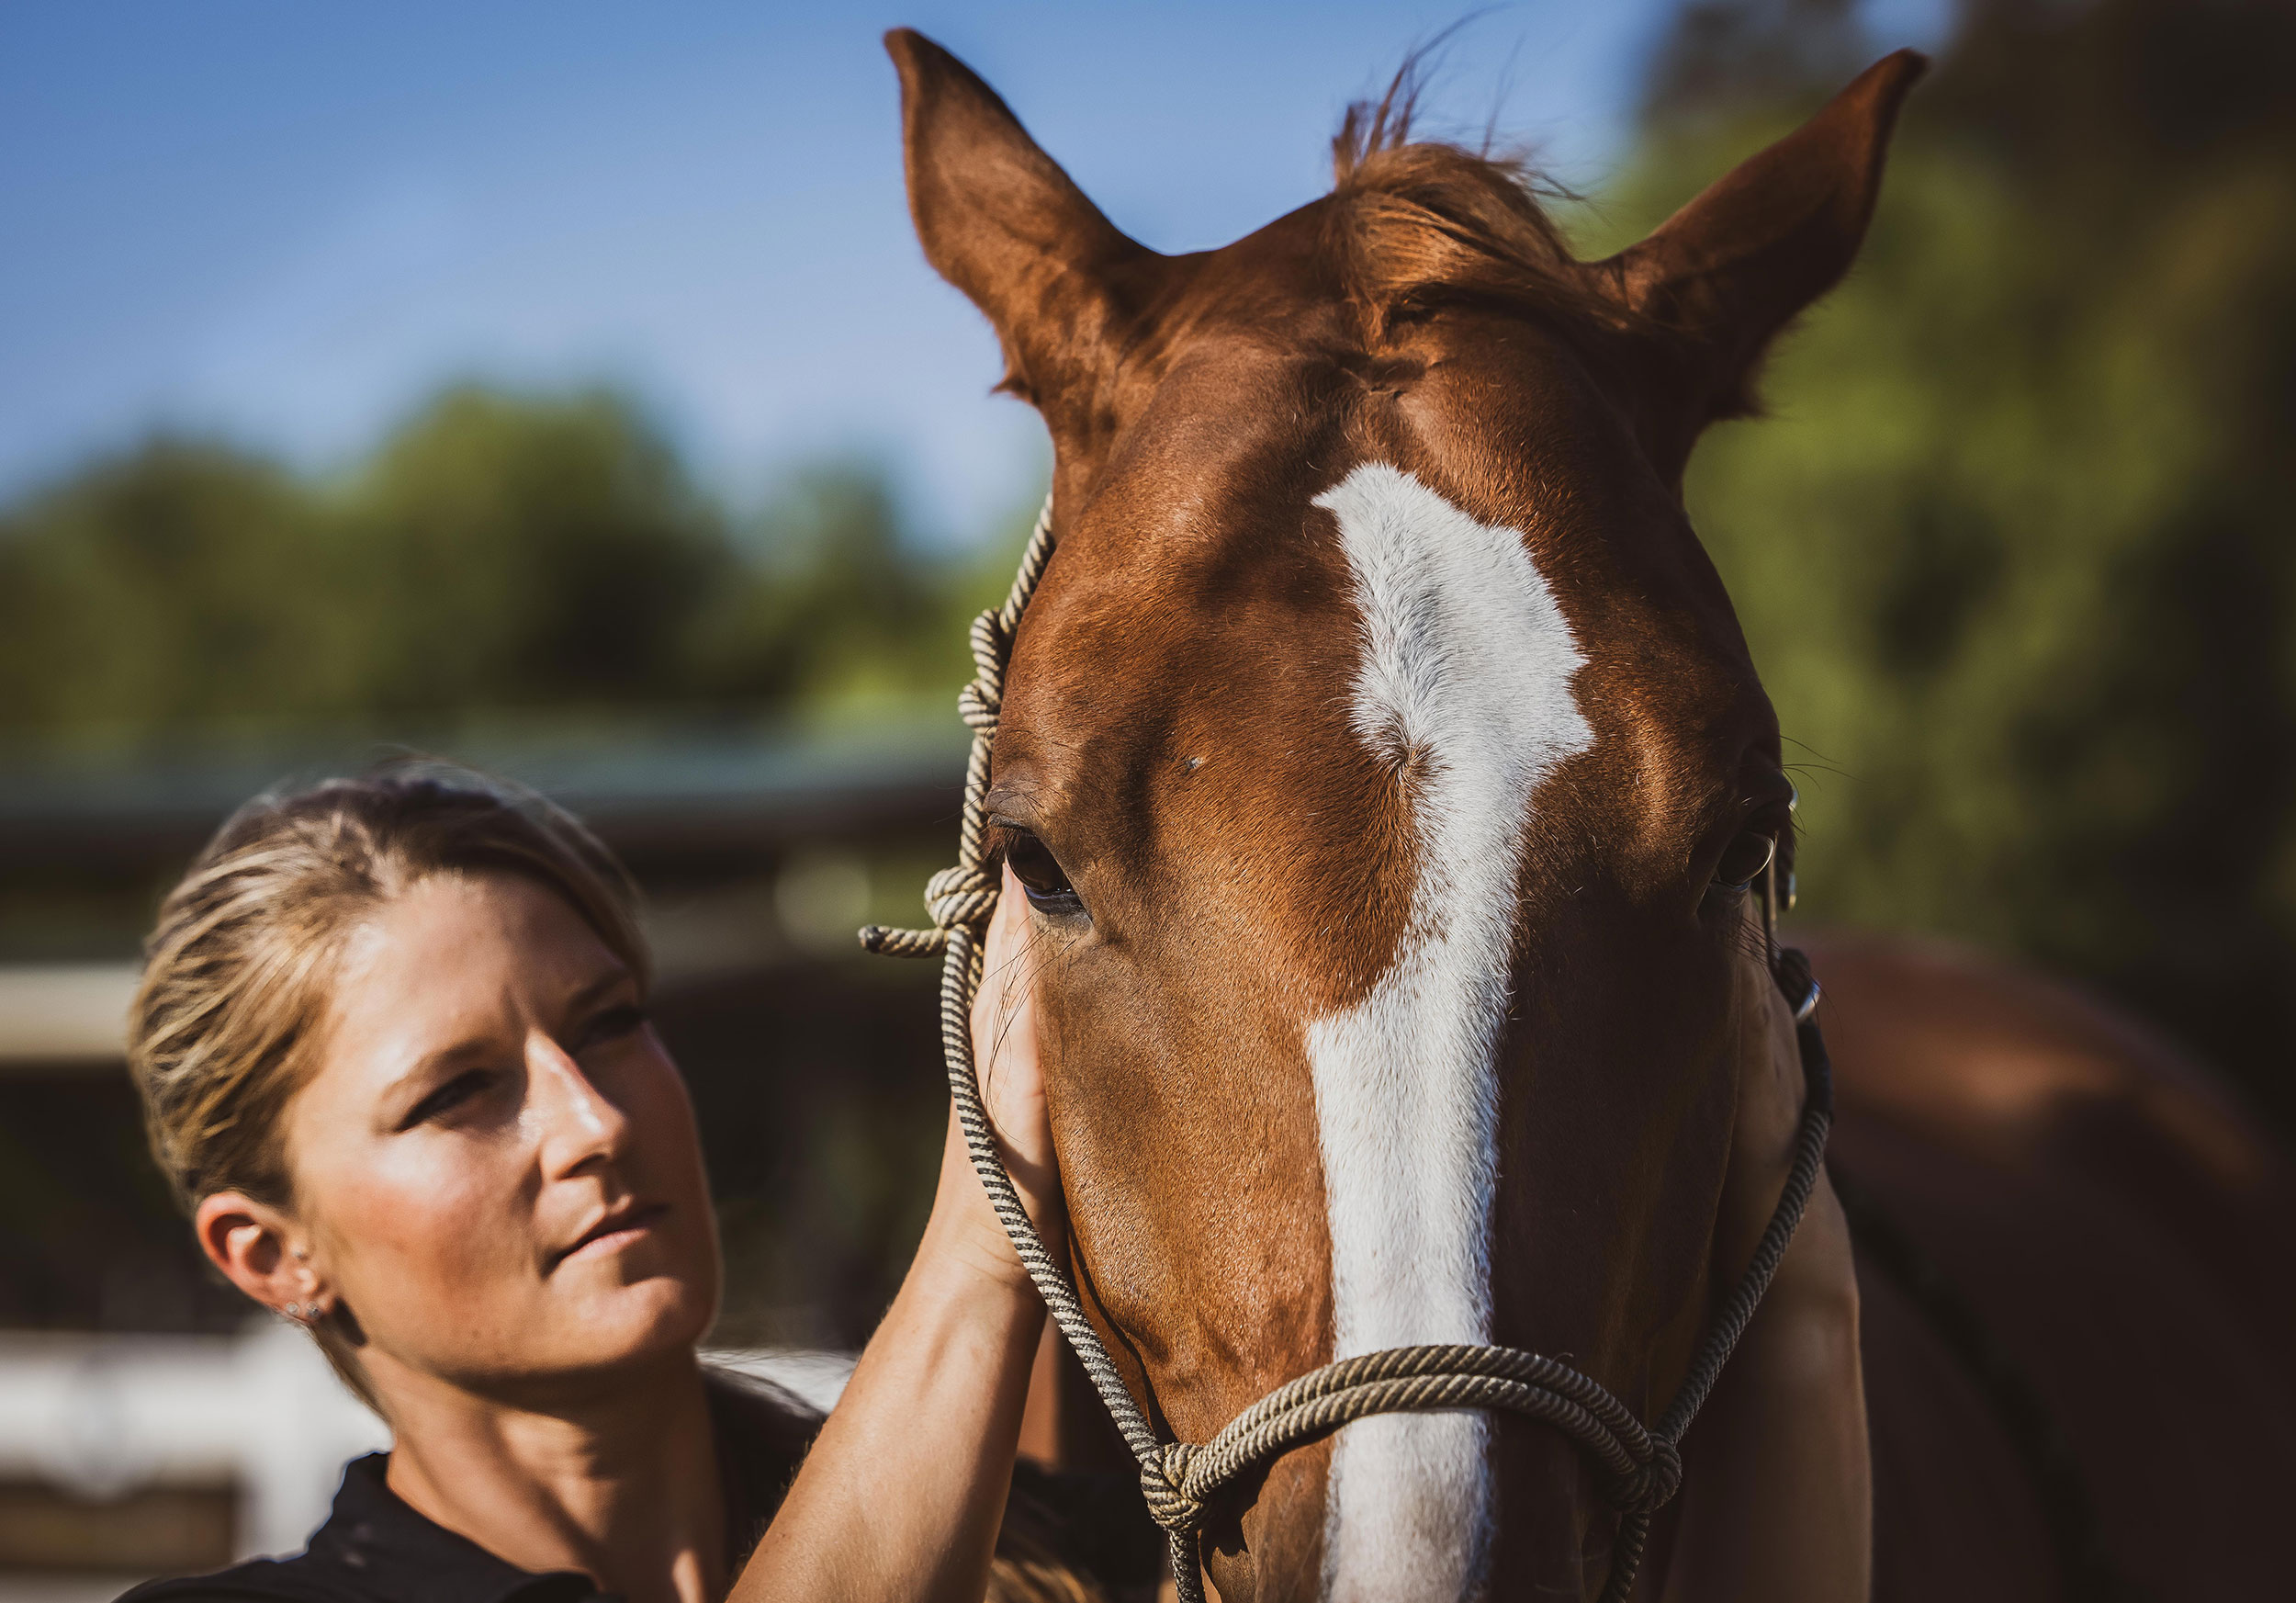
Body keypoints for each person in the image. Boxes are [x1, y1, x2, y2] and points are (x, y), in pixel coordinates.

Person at [119, 761, 1145, 1603]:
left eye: (607, 1024)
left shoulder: (1105, 1562)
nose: (594, 1121)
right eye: (458, 1090)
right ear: (271, 1253)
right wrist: (976, 1252)